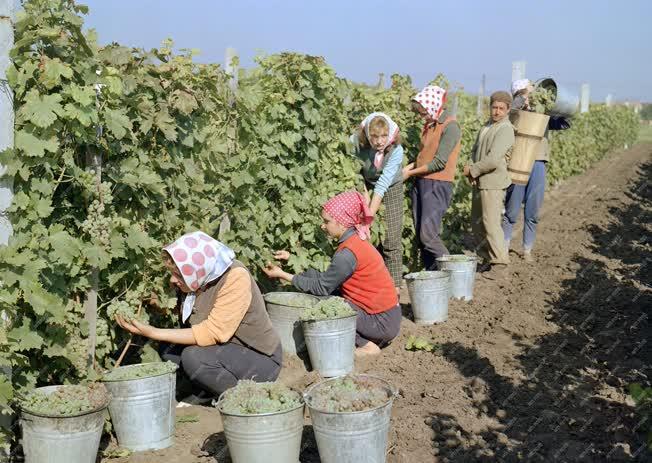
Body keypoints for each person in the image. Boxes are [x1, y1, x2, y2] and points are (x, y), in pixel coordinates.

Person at [116, 231, 282, 402]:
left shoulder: (235, 277)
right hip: (223, 350)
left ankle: (244, 398)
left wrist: (152, 332)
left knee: (193, 358)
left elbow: (215, 332)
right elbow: (194, 311)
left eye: (179, 275)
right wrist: (159, 304)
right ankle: (207, 390)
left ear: (196, 270)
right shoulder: (200, 277)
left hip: (258, 359)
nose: (173, 280)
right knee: (168, 347)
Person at [263, 191, 401, 356]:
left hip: (380, 323)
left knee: (322, 302)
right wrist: (291, 259)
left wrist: (283, 275)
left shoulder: (347, 254)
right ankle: (365, 338)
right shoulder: (356, 239)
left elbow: (321, 288)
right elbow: (325, 275)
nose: (323, 225)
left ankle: (365, 344)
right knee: (319, 282)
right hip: (387, 317)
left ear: (342, 224)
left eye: (327, 221)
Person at [502, 79, 571, 261]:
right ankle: (503, 248)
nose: (532, 94)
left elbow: (564, 123)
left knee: (532, 211)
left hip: (538, 163)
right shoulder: (514, 112)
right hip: (518, 163)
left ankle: (527, 250)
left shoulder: (543, 115)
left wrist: (557, 107)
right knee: (511, 210)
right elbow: (512, 109)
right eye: (529, 91)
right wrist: (523, 98)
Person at [402, 85, 462, 270]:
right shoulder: (430, 125)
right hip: (422, 181)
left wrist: (409, 173)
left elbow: (439, 163)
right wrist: (409, 167)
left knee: (428, 236)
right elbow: (423, 157)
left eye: (423, 112)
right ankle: (433, 275)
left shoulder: (450, 127)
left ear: (433, 106)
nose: (422, 117)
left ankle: (454, 271)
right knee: (422, 236)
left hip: (437, 184)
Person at [350, 112, 404, 291]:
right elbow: (354, 170)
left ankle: (394, 289)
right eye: (374, 136)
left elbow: (382, 184)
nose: (379, 141)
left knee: (391, 239)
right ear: (367, 134)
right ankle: (371, 285)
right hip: (364, 183)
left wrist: (369, 216)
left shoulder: (396, 150)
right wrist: (364, 196)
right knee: (364, 239)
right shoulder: (355, 142)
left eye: (383, 136)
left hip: (390, 187)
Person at [463, 91, 515, 279]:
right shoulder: (487, 126)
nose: (497, 111)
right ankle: (486, 258)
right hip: (480, 180)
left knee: (491, 222)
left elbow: (493, 159)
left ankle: (501, 262)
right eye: (494, 107)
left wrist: (473, 170)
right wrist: (470, 165)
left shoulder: (506, 129)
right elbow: (475, 150)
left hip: (493, 182)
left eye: (501, 108)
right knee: (477, 223)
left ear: (508, 110)